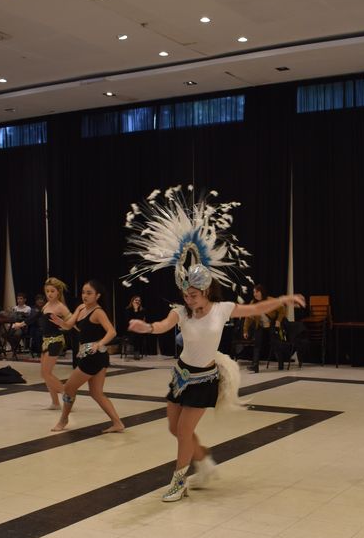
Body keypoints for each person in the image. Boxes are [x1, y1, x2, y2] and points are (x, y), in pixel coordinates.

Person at [122, 184, 302, 502]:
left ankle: (179, 481)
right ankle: (204, 461)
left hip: (205, 379)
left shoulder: (222, 309)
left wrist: (284, 300)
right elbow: (163, 326)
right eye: (186, 294)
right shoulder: (180, 311)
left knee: (184, 431)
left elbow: (256, 309)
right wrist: (146, 327)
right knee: (175, 429)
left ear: (206, 291)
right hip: (181, 376)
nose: (189, 299)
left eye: (193, 294)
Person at [49, 279, 124, 433]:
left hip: (94, 356)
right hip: (93, 356)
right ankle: (118, 423)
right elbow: (69, 325)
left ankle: (63, 420)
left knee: (68, 388)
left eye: (89, 293)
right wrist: (60, 322)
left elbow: (112, 332)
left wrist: (99, 343)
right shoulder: (81, 308)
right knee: (96, 393)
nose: (85, 295)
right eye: (84, 292)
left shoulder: (98, 312)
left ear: (97, 296)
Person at [39, 278, 71, 409]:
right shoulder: (46, 305)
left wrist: (63, 324)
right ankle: (55, 403)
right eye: (47, 291)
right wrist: (22, 323)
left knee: (46, 373)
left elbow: (71, 323)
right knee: (45, 374)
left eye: (52, 291)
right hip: (46, 341)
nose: (49, 294)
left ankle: (67, 396)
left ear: (58, 292)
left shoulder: (61, 307)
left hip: (56, 341)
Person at [241, 283, 286, 373]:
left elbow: (282, 309)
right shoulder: (253, 303)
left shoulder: (270, 300)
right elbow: (248, 318)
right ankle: (255, 366)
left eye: (256, 292)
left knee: (275, 344)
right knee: (257, 345)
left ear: (262, 292)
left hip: (272, 325)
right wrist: (245, 330)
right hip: (260, 325)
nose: (255, 294)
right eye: (254, 292)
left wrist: (278, 321)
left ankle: (281, 363)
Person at [125, 294, 147, 358]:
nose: (137, 301)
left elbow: (140, 319)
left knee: (137, 333)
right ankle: (136, 351)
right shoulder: (128, 309)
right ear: (132, 301)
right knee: (135, 332)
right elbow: (128, 320)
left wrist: (136, 310)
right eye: (136, 300)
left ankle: (131, 346)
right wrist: (134, 310)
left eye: (139, 300)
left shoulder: (142, 310)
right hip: (130, 327)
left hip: (139, 328)